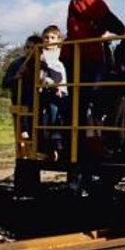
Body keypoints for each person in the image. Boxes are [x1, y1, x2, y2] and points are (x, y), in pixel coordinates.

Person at [2, 35, 41, 139]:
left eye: (33, 48)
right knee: (22, 136)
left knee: (37, 134)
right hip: (20, 103)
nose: (29, 50)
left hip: (38, 105)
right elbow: (4, 83)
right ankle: (23, 154)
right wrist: (16, 77)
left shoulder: (43, 65)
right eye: (27, 47)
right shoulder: (16, 64)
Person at [40, 25, 69, 158]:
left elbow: (59, 72)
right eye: (46, 37)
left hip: (60, 90)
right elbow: (43, 73)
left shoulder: (60, 53)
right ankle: (49, 145)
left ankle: (58, 142)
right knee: (46, 115)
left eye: (52, 37)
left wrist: (56, 85)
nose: (49, 40)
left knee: (56, 112)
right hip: (46, 89)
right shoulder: (41, 54)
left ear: (59, 39)